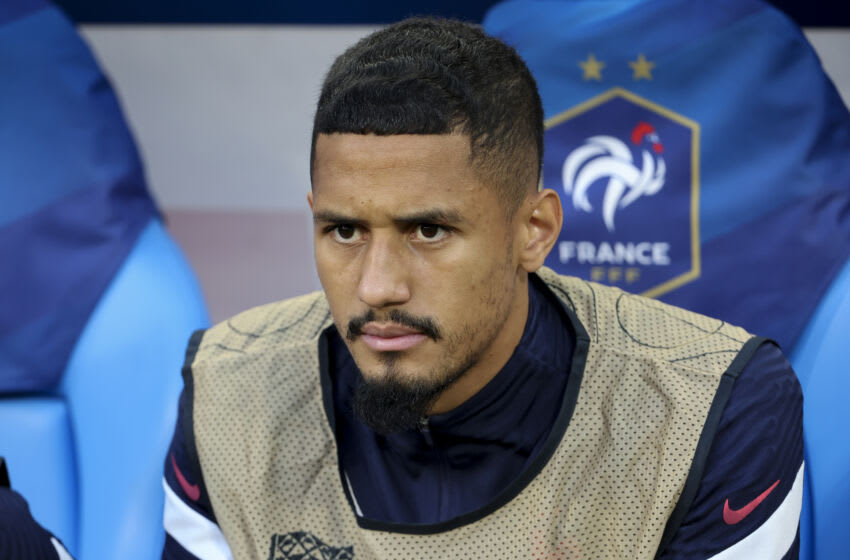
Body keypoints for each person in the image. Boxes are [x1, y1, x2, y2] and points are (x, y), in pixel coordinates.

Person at [162, 17, 803, 560]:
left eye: (430, 230)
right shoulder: (228, 390)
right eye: (345, 230)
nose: (377, 287)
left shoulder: (710, 409)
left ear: (534, 230)